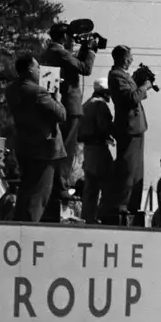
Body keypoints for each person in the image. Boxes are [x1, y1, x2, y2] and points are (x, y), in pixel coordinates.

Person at [5, 53, 67, 223]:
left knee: (26, 190)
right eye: (38, 67)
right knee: (39, 194)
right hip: (44, 149)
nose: (40, 70)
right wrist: (57, 98)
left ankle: (20, 221)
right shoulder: (38, 92)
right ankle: (30, 226)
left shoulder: (11, 89)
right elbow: (61, 114)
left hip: (24, 146)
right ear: (30, 69)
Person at [39, 21, 97, 199]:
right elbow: (84, 68)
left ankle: (56, 185)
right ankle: (61, 187)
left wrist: (84, 50)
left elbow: (75, 64)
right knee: (66, 150)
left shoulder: (50, 52)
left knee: (60, 148)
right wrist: (91, 50)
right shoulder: (60, 52)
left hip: (58, 104)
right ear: (64, 37)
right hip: (68, 105)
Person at [106, 47, 151, 225]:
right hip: (129, 127)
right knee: (128, 167)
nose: (131, 59)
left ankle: (131, 204)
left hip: (136, 127)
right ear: (124, 59)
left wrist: (136, 80)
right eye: (130, 57)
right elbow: (130, 98)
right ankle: (121, 205)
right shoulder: (116, 76)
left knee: (136, 169)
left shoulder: (122, 76)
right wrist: (144, 86)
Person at [76, 84, 117, 223]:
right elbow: (104, 127)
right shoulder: (100, 105)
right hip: (99, 149)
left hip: (88, 150)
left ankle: (87, 217)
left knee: (90, 187)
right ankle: (103, 216)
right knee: (108, 183)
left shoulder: (86, 104)